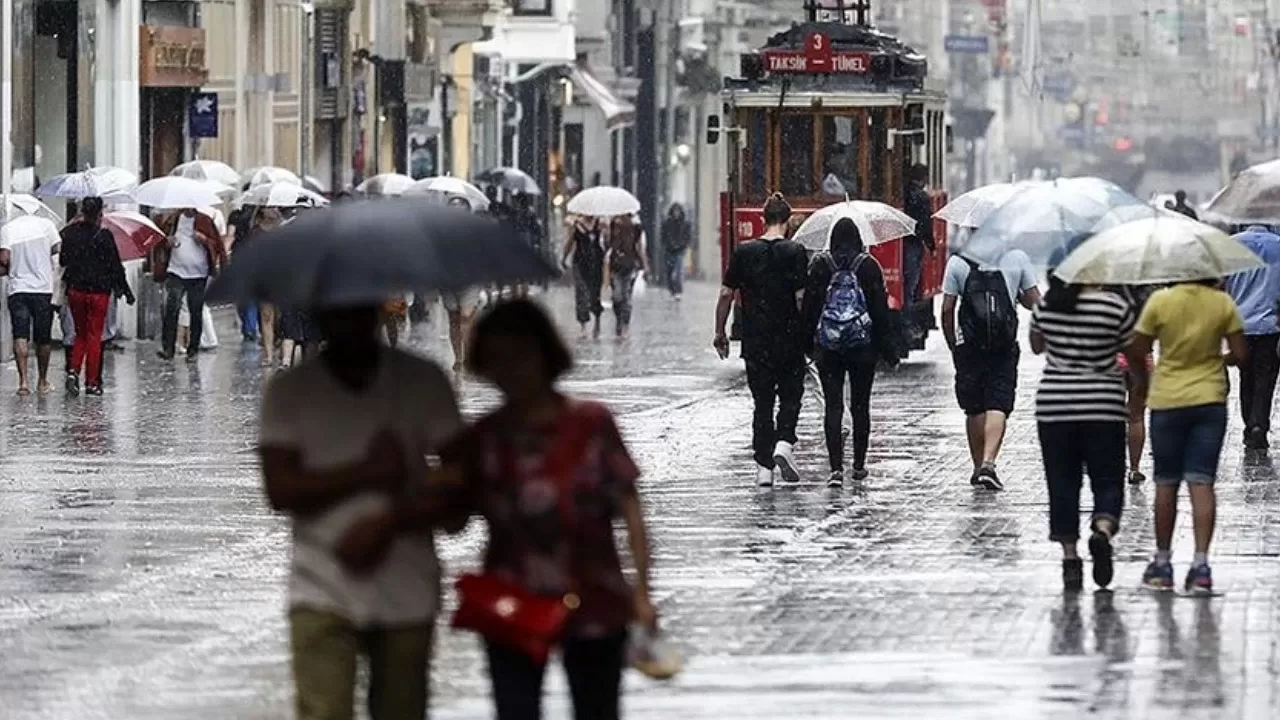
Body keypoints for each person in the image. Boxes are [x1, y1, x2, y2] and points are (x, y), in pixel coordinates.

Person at [442, 299, 656, 720]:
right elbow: (454, 520)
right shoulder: (484, 438)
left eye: (520, 355)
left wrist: (643, 591)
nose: (511, 370)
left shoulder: (593, 423)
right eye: (497, 359)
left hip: (594, 596)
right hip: (512, 602)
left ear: (544, 353)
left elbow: (630, 510)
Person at [259, 304, 462, 720]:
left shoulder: (422, 382)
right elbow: (280, 490)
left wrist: (392, 519)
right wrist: (368, 471)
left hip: (408, 593)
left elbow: (463, 496)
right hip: (320, 590)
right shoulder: (290, 392)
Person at [1030, 276, 1145, 591]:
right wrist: (1140, 384)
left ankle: (1070, 558)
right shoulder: (1114, 306)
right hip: (1103, 404)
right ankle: (1103, 530)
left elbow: (1036, 346)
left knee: (1062, 481)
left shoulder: (1048, 305)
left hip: (1055, 406)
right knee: (1107, 477)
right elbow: (1132, 352)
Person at [1133, 279, 1247, 594]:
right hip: (1209, 401)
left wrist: (1146, 379)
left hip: (1167, 400)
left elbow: (1137, 348)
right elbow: (1239, 353)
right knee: (1202, 482)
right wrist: (1216, 361)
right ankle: (1200, 567)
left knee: (1166, 483)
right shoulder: (1222, 303)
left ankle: (1163, 563)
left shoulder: (1160, 301)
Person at [714, 193, 810, 486]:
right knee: (791, 396)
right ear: (788, 220)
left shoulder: (744, 252)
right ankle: (784, 442)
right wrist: (808, 333)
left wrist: (719, 332)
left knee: (762, 402)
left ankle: (764, 468)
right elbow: (801, 298)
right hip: (789, 339)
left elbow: (725, 294)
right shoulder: (796, 252)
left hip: (756, 341)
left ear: (762, 219)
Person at [800, 218, 895, 487]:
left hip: (828, 347)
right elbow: (880, 311)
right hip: (862, 346)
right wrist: (888, 350)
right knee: (860, 405)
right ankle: (859, 465)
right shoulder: (868, 265)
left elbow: (810, 308)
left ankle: (835, 470)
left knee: (833, 405)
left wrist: (807, 343)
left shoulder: (820, 265)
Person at [941, 248, 1041, 490]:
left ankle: (977, 468)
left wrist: (953, 344)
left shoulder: (957, 262)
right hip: (1003, 344)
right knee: (998, 403)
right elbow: (1035, 302)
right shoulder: (1017, 258)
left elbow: (946, 309)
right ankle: (989, 463)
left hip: (970, 345)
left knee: (974, 407)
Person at [59, 197, 135, 396]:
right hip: (99, 293)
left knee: (80, 333)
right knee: (94, 336)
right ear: (100, 214)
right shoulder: (105, 236)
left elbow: (63, 260)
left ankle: (73, 370)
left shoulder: (70, 233)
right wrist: (126, 290)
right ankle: (92, 382)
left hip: (76, 291)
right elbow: (116, 266)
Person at [1224, 226, 1280, 449]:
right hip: (1269, 326)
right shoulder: (1277, 245)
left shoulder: (1230, 246)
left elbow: (1224, 286)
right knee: (1265, 379)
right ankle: (1259, 424)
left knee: (1245, 376)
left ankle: (1250, 424)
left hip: (1240, 326)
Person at [155, 207, 226, 361]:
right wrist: (167, 242)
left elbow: (217, 244)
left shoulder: (205, 220)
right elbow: (160, 240)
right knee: (172, 308)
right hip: (176, 271)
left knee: (196, 310)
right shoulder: (172, 220)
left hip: (198, 273)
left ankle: (193, 350)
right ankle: (168, 348)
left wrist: (204, 240)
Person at [0, 217, 59, 395]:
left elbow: (4, 258)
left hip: (18, 289)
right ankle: (42, 381)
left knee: (20, 335)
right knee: (43, 338)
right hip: (43, 289)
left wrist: (14, 266)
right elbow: (57, 251)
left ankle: (23, 382)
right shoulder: (47, 225)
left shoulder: (9, 229)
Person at [562, 215, 605, 338]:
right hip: (580, 262)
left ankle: (597, 322)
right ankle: (583, 326)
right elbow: (570, 243)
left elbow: (606, 242)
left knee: (595, 294)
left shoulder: (600, 224)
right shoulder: (577, 226)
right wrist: (564, 258)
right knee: (581, 292)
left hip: (596, 263)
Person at [606, 214, 647, 339]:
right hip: (616, 265)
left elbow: (639, 247)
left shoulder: (636, 228)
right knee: (617, 296)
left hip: (630, 266)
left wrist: (644, 264)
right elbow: (608, 243)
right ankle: (619, 320)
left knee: (626, 296)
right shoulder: (613, 226)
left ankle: (625, 324)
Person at [903, 164, 936, 313]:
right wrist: (931, 245)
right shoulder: (922, 197)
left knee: (907, 281)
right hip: (914, 242)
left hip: (905, 239)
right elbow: (926, 223)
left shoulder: (904, 193)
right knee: (911, 280)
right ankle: (908, 312)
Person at [227, 205, 260, 341]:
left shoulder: (235, 215)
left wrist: (225, 253)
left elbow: (230, 235)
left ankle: (249, 326)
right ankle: (250, 327)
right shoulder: (260, 216)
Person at [661, 204, 692, 299]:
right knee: (670, 272)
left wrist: (682, 245)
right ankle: (672, 289)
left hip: (679, 251)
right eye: (675, 211)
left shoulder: (685, 224)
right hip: (669, 250)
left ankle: (678, 290)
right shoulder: (667, 223)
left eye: (678, 211)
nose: (676, 213)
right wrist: (669, 244)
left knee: (678, 272)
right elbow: (663, 236)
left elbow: (687, 237)